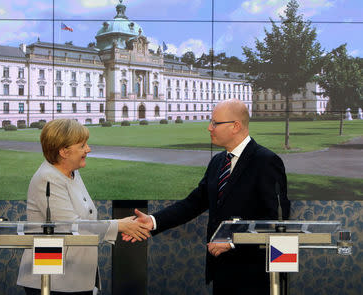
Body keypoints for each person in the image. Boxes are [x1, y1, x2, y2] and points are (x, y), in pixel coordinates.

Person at [124, 99, 290, 295]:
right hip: (221, 271)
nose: (209, 127)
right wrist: (153, 221)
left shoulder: (266, 161)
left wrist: (233, 240)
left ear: (235, 126)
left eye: (215, 123)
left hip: (255, 274)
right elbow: (193, 203)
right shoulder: (218, 161)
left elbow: (277, 218)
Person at [17, 119, 150, 295]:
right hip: (53, 280)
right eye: (82, 145)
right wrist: (120, 225)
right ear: (64, 151)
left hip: (77, 275)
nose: (88, 149)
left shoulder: (72, 172)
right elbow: (72, 226)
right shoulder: (47, 178)